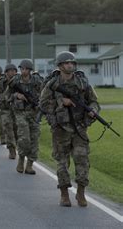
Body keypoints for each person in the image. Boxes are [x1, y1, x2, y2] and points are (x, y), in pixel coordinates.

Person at [40, 51, 99, 207]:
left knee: (83, 160)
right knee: (62, 163)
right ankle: (64, 194)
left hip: (79, 128)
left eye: (72, 63)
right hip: (61, 129)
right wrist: (61, 101)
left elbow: (94, 102)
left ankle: (81, 193)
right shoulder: (52, 84)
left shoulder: (82, 83)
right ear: (60, 66)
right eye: (67, 63)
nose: (70, 65)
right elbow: (43, 104)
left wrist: (93, 111)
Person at [7, 59, 43, 175]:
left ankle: (30, 165)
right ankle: (21, 159)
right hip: (20, 113)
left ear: (30, 70)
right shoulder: (15, 81)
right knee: (24, 138)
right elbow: (7, 95)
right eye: (22, 69)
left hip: (34, 113)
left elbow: (45, 93)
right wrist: (16, 95)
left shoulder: (37, 81)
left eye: (26, 69)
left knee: (35, 140)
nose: (24, 71)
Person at [0, 64, 18, 159]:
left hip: (17, 110)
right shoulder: (1, 83)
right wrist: (3, 99)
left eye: (14, 70)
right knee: (8, 128)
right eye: (10, 70)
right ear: (6, 72)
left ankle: (16, 146)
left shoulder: (19, 81)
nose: (12, 72)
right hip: (5, 110)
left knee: (16, 129)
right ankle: (11, 150)